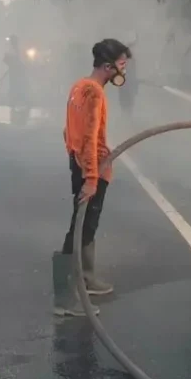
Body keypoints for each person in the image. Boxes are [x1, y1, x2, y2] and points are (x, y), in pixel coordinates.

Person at [52, 38, 132, 317]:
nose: (124, 70)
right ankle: (64, 298)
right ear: (109, 66)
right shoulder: (94, 93)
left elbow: (67, 132)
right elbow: (87, 138)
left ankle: (86, 278)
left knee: (87, 225)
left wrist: (76, 161)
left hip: (83, 163)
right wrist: (90, 178)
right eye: (122, 64)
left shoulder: (80, 86)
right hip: (91, 167)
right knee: (79, 230)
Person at [3, 36, 30, 126]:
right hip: (14, 72)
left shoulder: (16, 49)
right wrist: (13, 63)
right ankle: (14, 100)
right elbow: (6, 59)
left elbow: (22, 59)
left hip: (18, 71)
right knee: (15, 86)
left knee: (20, 86)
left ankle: (19, 100)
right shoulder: (11, 49)